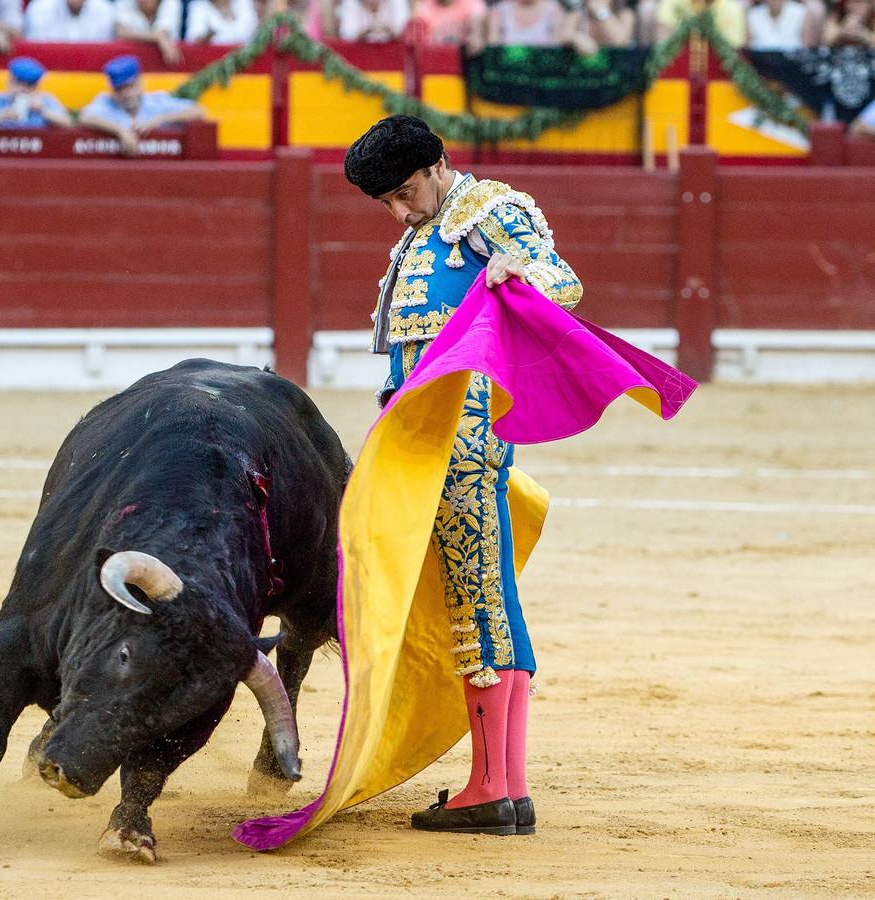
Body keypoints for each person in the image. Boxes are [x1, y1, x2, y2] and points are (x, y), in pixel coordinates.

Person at [343, 115, 582, 836]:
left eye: (405, 191)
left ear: (439, 165)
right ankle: (504, 787)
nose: (399, 209)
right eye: (384, 201)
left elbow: (561, 281)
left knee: (473, 600)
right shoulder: (425, 231)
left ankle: (490, 787)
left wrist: (518, 273)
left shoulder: (485, 211)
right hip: (426, 435)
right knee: (488, 595)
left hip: (459, 434)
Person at [78, 54, 205, 155]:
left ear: (140, 84)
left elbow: (198, 111)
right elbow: (84, 117)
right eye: (120, 89)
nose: (126, 93)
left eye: (130, 86)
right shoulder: (106, 102)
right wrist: (120, 131)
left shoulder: (157, 101)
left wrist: (160, 119)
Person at [0, 56, 72, 128]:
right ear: (10, 81)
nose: (23, 89)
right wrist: (1, 115)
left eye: (29, 85)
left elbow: (68, 124)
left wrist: (42, 111)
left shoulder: (44, 100)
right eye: (19, 83)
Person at [114, 0, 183, 65]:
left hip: (166, 68)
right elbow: (121, 33)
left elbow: (163, 33)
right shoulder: (125, 2)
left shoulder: (171, 2)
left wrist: (159, 37)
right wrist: (158, 38)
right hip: (131, 64)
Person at [655, 0, 744, 44]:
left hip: (717, 72)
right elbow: (662, 43)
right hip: (678, 68)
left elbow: (734, 52)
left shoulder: (732, 9)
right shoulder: (672, 2)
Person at [560, 0, 636, 52]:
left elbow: (620, 41)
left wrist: (601, 11)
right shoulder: (577, 13)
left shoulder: (625, 14)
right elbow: (564, 35)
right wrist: (576, 38)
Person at [23, 0, 116, 40]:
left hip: (91, 77)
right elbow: (38, 54)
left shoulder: (105, 10)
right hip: (49, 76)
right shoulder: (39, 8)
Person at [411, 0, 487, 47]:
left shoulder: (472, 4)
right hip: (435, 62)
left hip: (466, 62)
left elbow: (480, 24)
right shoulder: (423, 7)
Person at [485, 0, 563, 45]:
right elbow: (493, 49)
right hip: (507, 70)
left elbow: (558, 49)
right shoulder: (498, 12)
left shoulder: (555, 11)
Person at [746, 0, 813, 46]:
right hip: (759, 63)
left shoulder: (801, 12)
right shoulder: (752, 14)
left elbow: (805, 48)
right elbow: (748, 47)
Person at [184, 0, 258, 42]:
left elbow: (256, 31)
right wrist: (206, 36)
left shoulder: (244, 3)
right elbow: (193, 39)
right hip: (213, 61)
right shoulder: (199, 6)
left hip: (247, 60)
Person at [335, 0, 409, 40]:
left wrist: (388, 29)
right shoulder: (350, 3)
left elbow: (405, 32)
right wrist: (367, 31)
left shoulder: (398, 2)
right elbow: (346, 35)